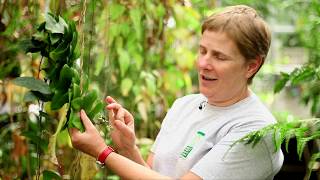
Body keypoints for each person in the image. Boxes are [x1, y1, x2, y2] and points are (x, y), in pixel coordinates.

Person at [69, 5, 284, 179]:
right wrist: (128, 149)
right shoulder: (184, 105)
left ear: (251, 66)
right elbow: (151, 175)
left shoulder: (256, 129)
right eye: (202, 51)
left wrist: (103, 152)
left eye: (219, 56)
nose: (203, 63)